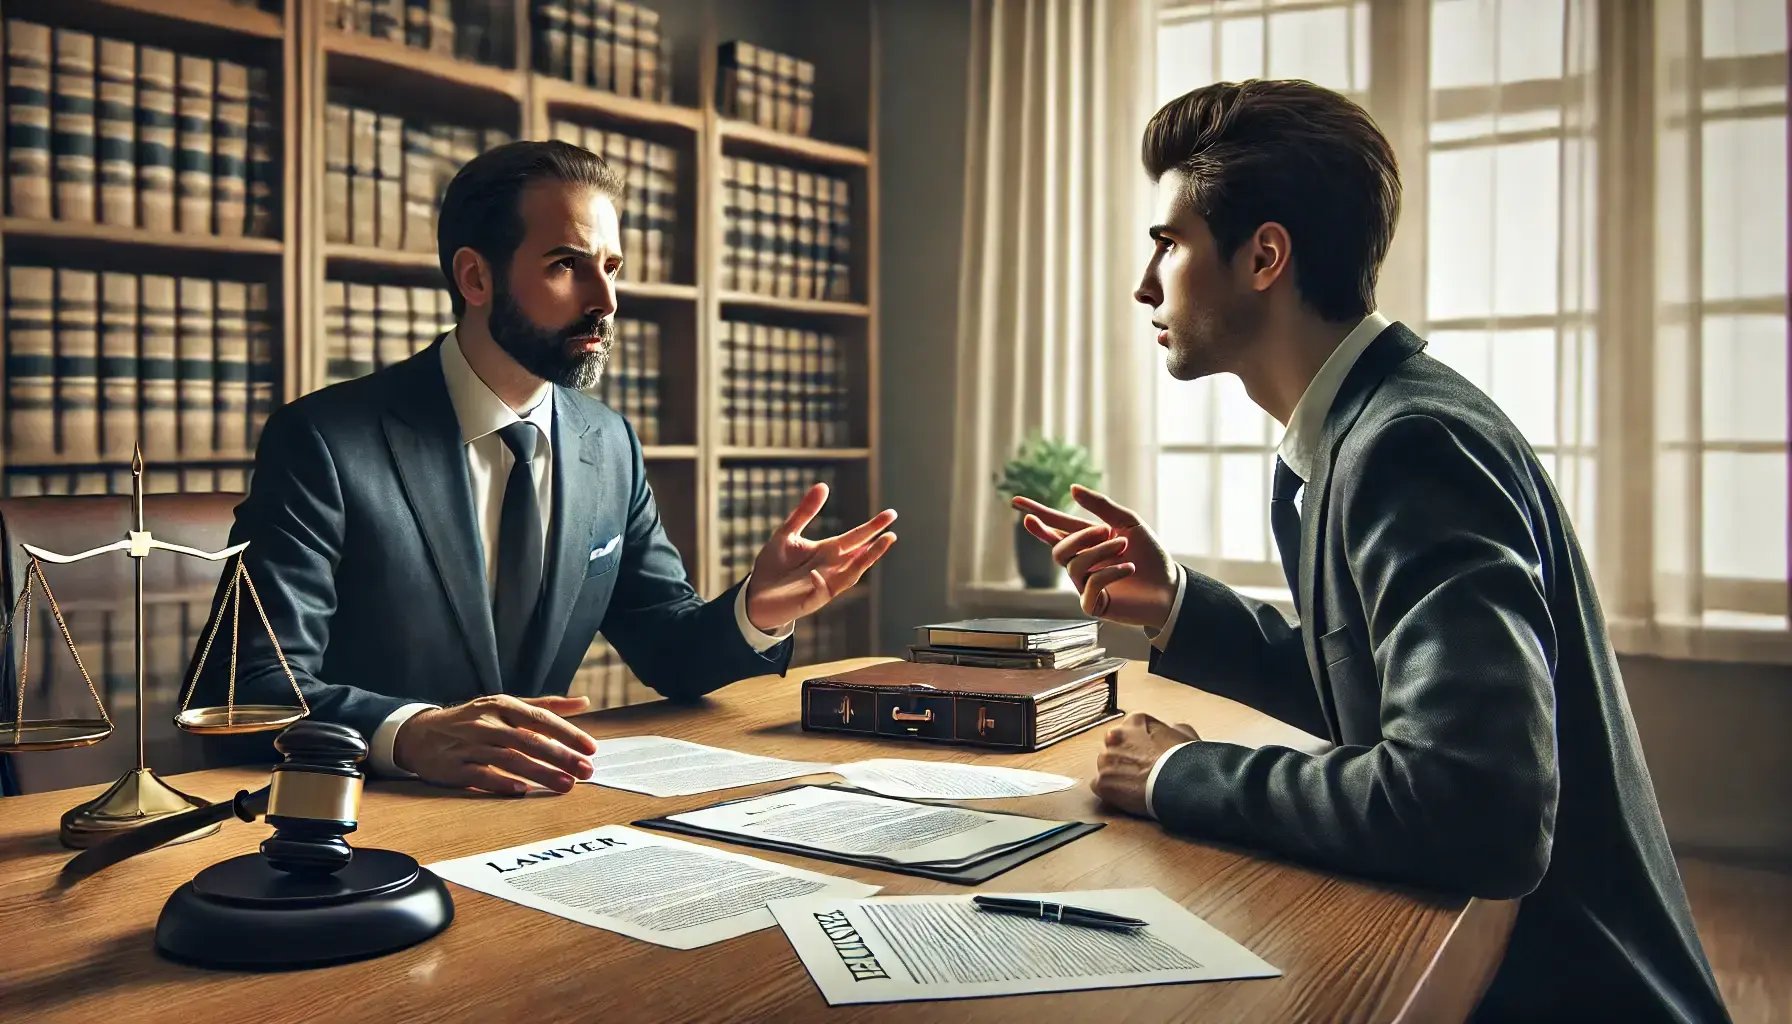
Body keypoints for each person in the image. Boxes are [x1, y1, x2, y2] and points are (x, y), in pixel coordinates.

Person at [1014, 80, 1728, 1022]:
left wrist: (1176, 776)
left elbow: (1471, 804)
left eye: (1169, 243)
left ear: (1264, 256)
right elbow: (1384, 698)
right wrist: (1178, 603)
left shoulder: (1408, 445)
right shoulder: (1369, 427)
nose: (1147, 284)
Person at [196, 140, 896, 795]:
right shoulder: (322, 441)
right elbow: (244, 690)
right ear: (476, 277)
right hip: (369, 820)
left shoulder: (610, 443)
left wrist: (755, 611)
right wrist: (409, 733)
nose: (606, 302)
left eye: (611, 267)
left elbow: (668, 649)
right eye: (567, 265)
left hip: (544, 809)